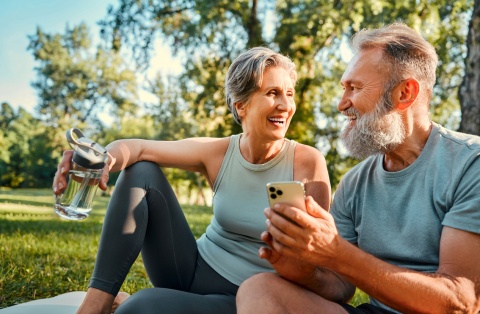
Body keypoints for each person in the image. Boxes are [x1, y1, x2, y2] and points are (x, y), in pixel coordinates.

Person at [52, 47, 331, 314]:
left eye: (289, 94)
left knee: (139, 308)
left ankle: (140, 303)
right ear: (241, 106)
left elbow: (317, 259)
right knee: (141, 171)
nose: (285, 105)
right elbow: (137, 148)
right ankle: (97, 304)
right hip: (191, 268)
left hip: (248, 298)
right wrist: (99, 160)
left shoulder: (307, 162)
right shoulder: (219, 153)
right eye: (272, 93)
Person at [236, 23, 480, 314]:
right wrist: (301, 270)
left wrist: (338, 253)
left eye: (355, 88)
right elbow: (340, 286)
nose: (341, 104)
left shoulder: (470, 163)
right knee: (260, 289)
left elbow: (460, 302)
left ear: (404, 93)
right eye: (343, 88)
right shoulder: (355, 182)